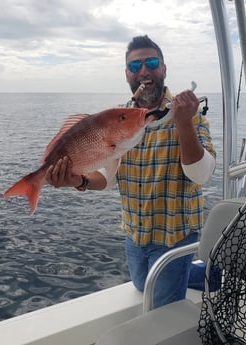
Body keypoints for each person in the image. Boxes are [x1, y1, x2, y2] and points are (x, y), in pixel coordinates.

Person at [46, 35, 216, 308]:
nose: (144, 71)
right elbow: (109, 177)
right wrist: (78, 180)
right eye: (135, 66)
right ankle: (203, 272)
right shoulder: (118, 118)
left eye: (151, 63)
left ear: (163, 69)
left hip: (173, 234)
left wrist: (184, 123)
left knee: (162, 308)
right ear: (127, 74)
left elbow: (202, 174)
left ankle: (193, 270)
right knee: (140, 284)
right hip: (134, 232)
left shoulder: (190, 113)